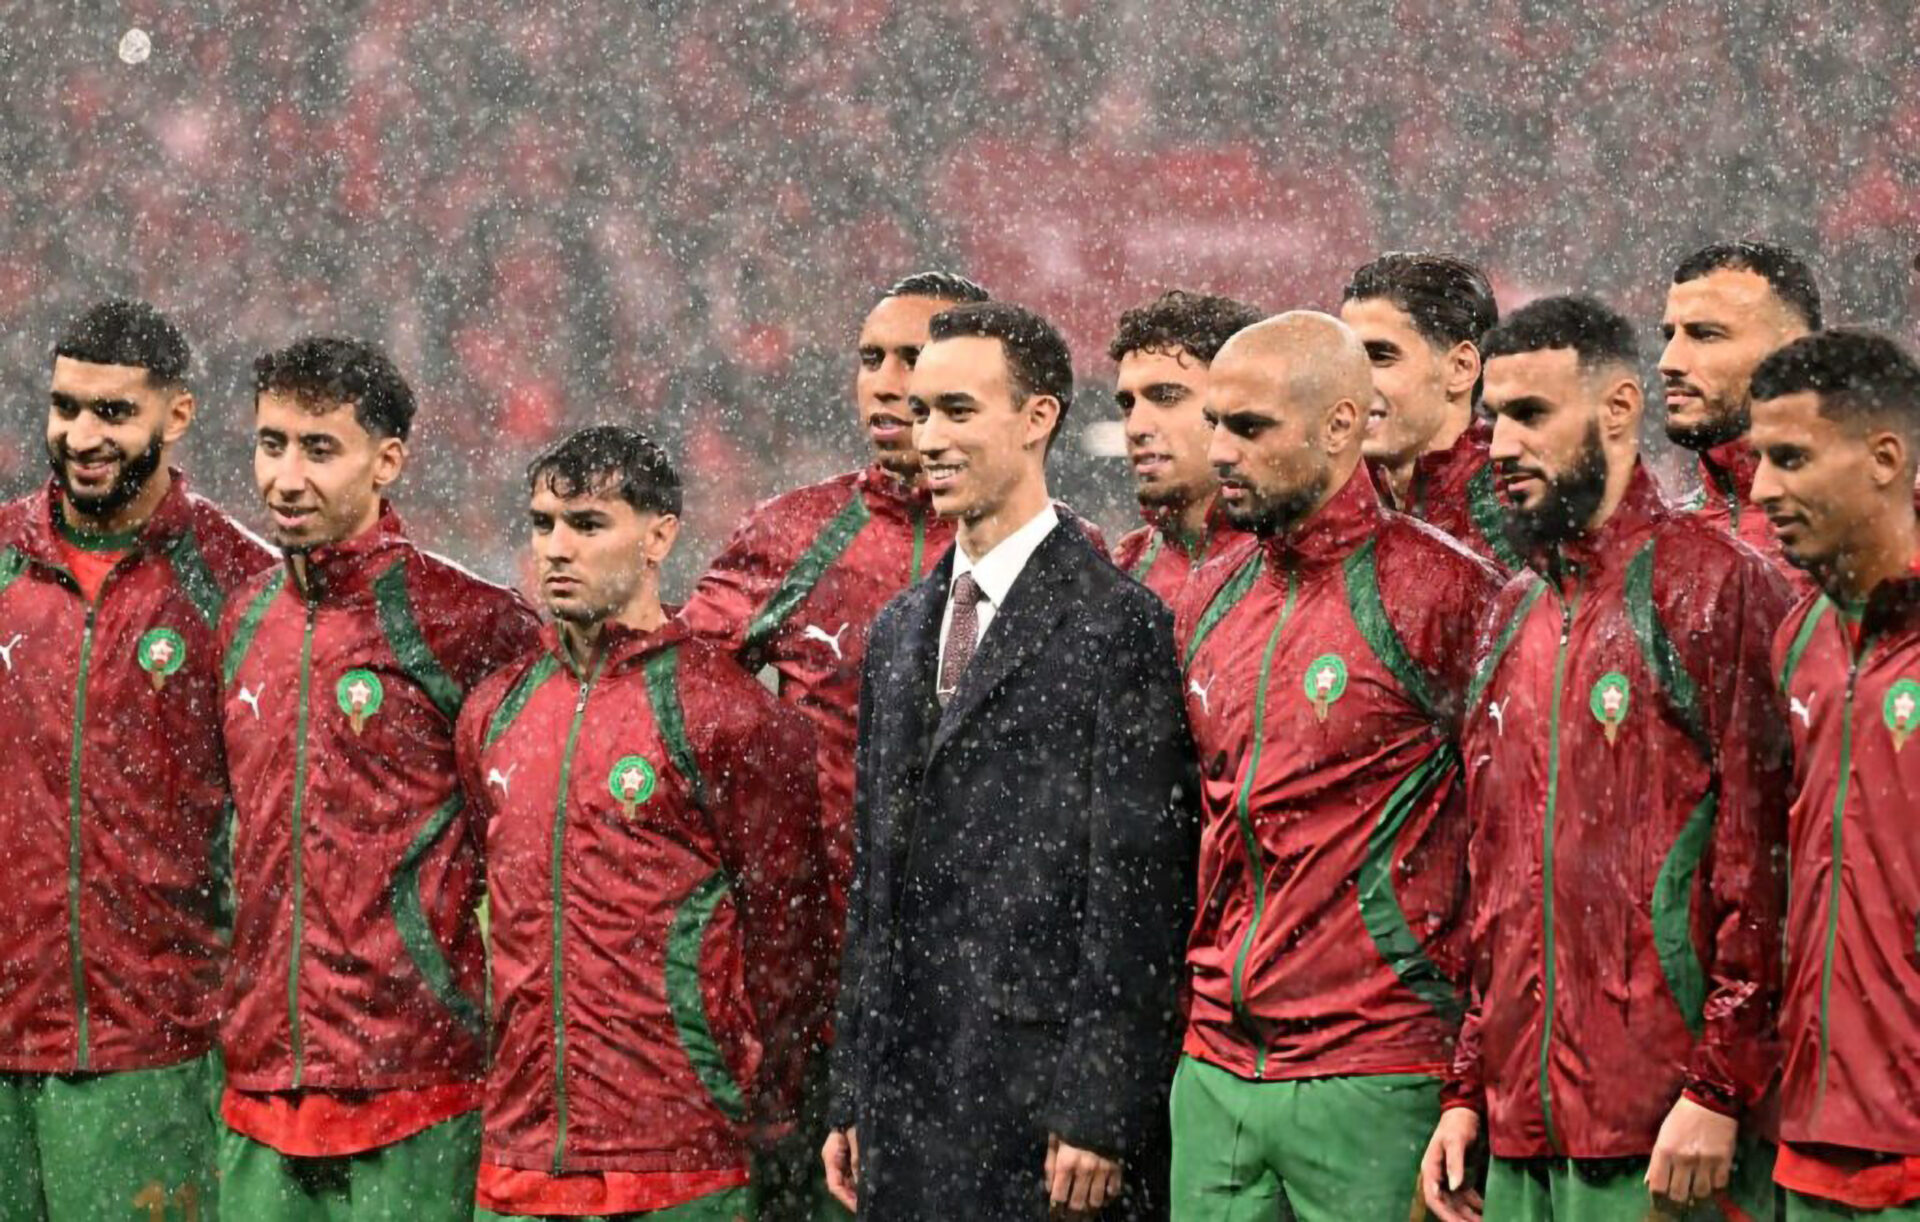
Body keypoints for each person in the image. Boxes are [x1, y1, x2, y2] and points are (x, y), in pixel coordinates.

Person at [823, 302, 1197, 1220]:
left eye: (958, 410)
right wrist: (852, 1087)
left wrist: (1101, 1105)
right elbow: (876, 882)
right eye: (921, 412)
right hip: (907, 1098)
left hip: (1041, 1111)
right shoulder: (899, 629)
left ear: (1038, 418)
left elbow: (1138, 892)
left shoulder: (1120, 626)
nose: (929, 437)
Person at [1423, 296, 1792, 1222]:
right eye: (1495, 417)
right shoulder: (1508, 612)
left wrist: (1720, 1087)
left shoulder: (1718, 586)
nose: (1504, 445)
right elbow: (1494, 879)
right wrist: (1468, 1086)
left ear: (1620, 410)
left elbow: (1761, 865)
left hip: (1669, 1137)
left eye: (1532, 414)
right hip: (1519, 1134)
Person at [1170, 312, 1500, 1221]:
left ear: (1341, 424)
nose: (1221, 452)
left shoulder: (1446, 593)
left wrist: (1469, 1078)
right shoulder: (1207, 596)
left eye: (1251, 427)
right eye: (1215, 424)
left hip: (1381, 1067)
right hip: (1214, 1071)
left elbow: (1508, 850)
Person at [457, 426, 832, 1222]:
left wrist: (775, 1121)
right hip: (519, 1157)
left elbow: (787, 943)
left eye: (588, 524)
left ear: (660, 536)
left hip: (682, 1160)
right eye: (543, 524)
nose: (557, 547)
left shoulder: (730, 717)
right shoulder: (493, 712)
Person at [679, 270, 984, 1220]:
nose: (886, 381)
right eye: (870, 358)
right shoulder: (795, 536)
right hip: (815, 992)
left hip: (982, 989)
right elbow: (676, 702)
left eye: (912, 357)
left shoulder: (1051, 552)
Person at [216, 336, 542, 1220]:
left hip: (416, 1082)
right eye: (272, 443)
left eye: (319, 449)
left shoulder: (469, 625)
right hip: (258, 1083)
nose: (287, 477)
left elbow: (533, 850)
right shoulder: (242, 619)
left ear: (387, 460)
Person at [0, 300, 272, 1220]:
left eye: (113, 413)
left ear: (178, 414)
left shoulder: (240, 587)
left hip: (153, 1054)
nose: (82, 437)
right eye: (66, 407)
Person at [1748, 330, 1920, 1219]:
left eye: (1790, 458)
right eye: (1758, 460)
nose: (1760, 489)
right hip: (1813, 1140)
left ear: (1885, 458)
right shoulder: (1800, 636)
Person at [1659, 239, 1823, 590]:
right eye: (1670, 335)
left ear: (1792, 350)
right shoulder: (1660, 545)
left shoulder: (1880, 532)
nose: (1668, 362)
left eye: (1705, 335)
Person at [1340, 251, 1518, 570]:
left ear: (1461, 367)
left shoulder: (1521, 510)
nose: (1351, 382)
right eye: (1348, 359)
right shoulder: (1332, 504)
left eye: (1380, 357)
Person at [1107, 289, 1263, 602]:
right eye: (1128, 404)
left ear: (1235, 406)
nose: (1135, 427)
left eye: (1166, 397)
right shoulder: (1122, 569)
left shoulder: (1294, 566)